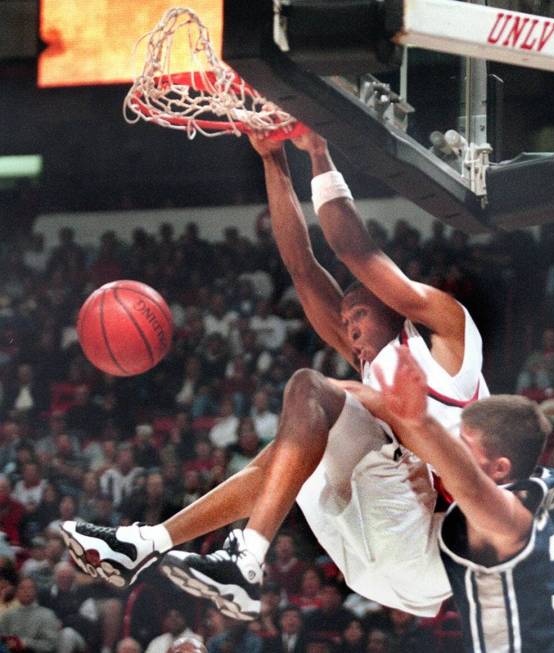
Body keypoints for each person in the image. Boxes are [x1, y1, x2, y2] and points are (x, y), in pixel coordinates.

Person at [61, 130, 488, 619]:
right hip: (374, 564)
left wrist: (320, 152)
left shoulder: (449, 337)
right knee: (296, 447)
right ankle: (148, 543)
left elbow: (354, 250)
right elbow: (301, 268)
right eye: (344, 322)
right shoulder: (372, 370)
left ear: (390, 305)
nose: (348, 329)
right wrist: (273, 159)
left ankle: (246, 557)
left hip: (437, 544)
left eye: (358, 316)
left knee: (314, 390)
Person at [343, 347, 554, 652]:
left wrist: (417, 421)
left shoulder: (504, 519)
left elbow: (472, 487)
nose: (455, 453)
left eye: (464, 447)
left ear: (501, 467)